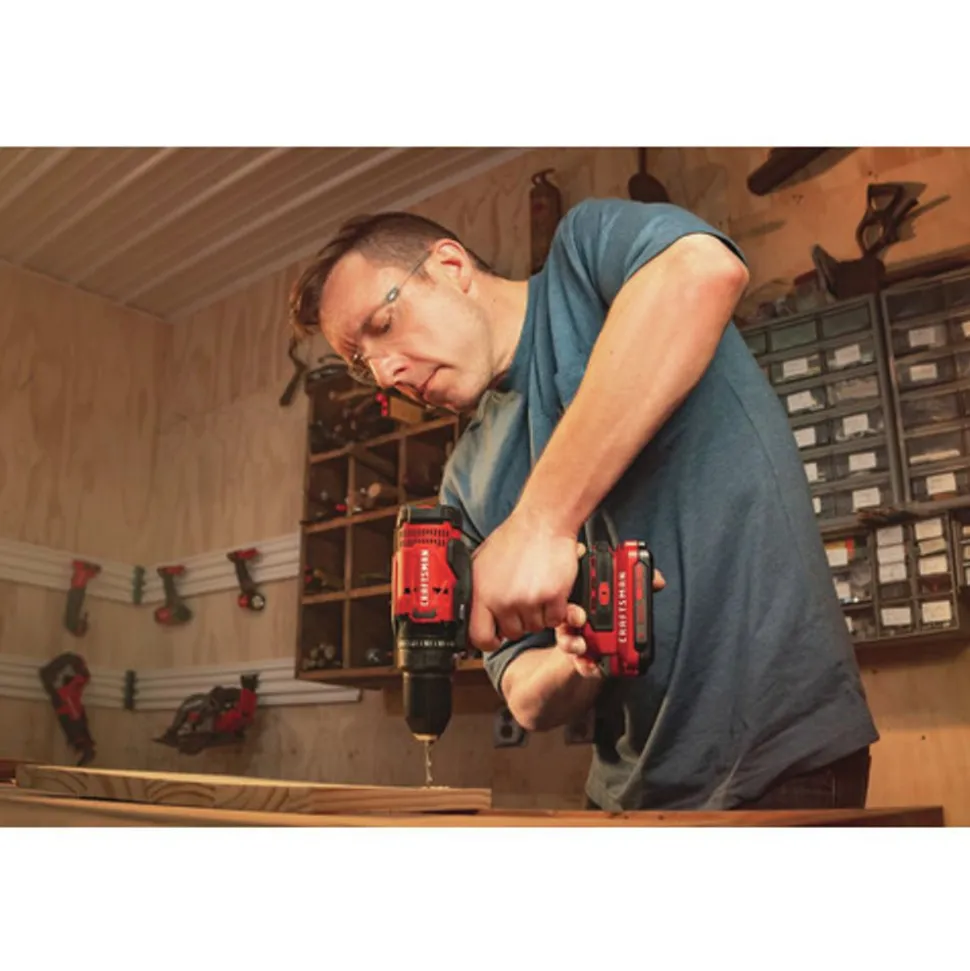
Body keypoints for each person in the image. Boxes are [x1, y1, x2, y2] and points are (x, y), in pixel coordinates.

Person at [288, 196, 879, 812]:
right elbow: (523, 694)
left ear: (451, 267)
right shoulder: (464, 477)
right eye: (363, 366)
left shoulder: (585, 259)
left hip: (779, 758)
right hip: (624, 793)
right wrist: (579, 660)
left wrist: (540, 523)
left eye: (383, 325)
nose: (387, 375)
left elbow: (703, 271)